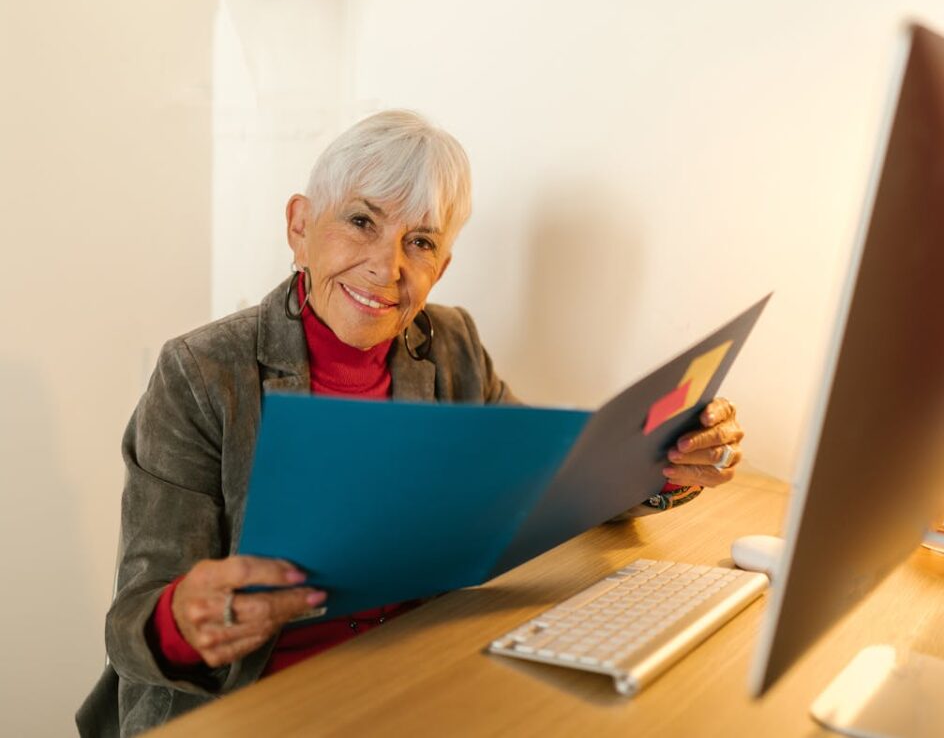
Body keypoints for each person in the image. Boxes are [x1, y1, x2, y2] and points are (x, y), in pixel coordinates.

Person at [77, 110, 744, 737]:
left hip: (409, 676)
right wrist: (185, 619)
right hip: (247, 697)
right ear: (300, 226)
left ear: (441, 267)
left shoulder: (450, 345)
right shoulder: (201, 372)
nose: (386, 266)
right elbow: (134, 618)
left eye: (419, 242)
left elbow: (551, 482)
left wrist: (665, 461)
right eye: (361, 221)